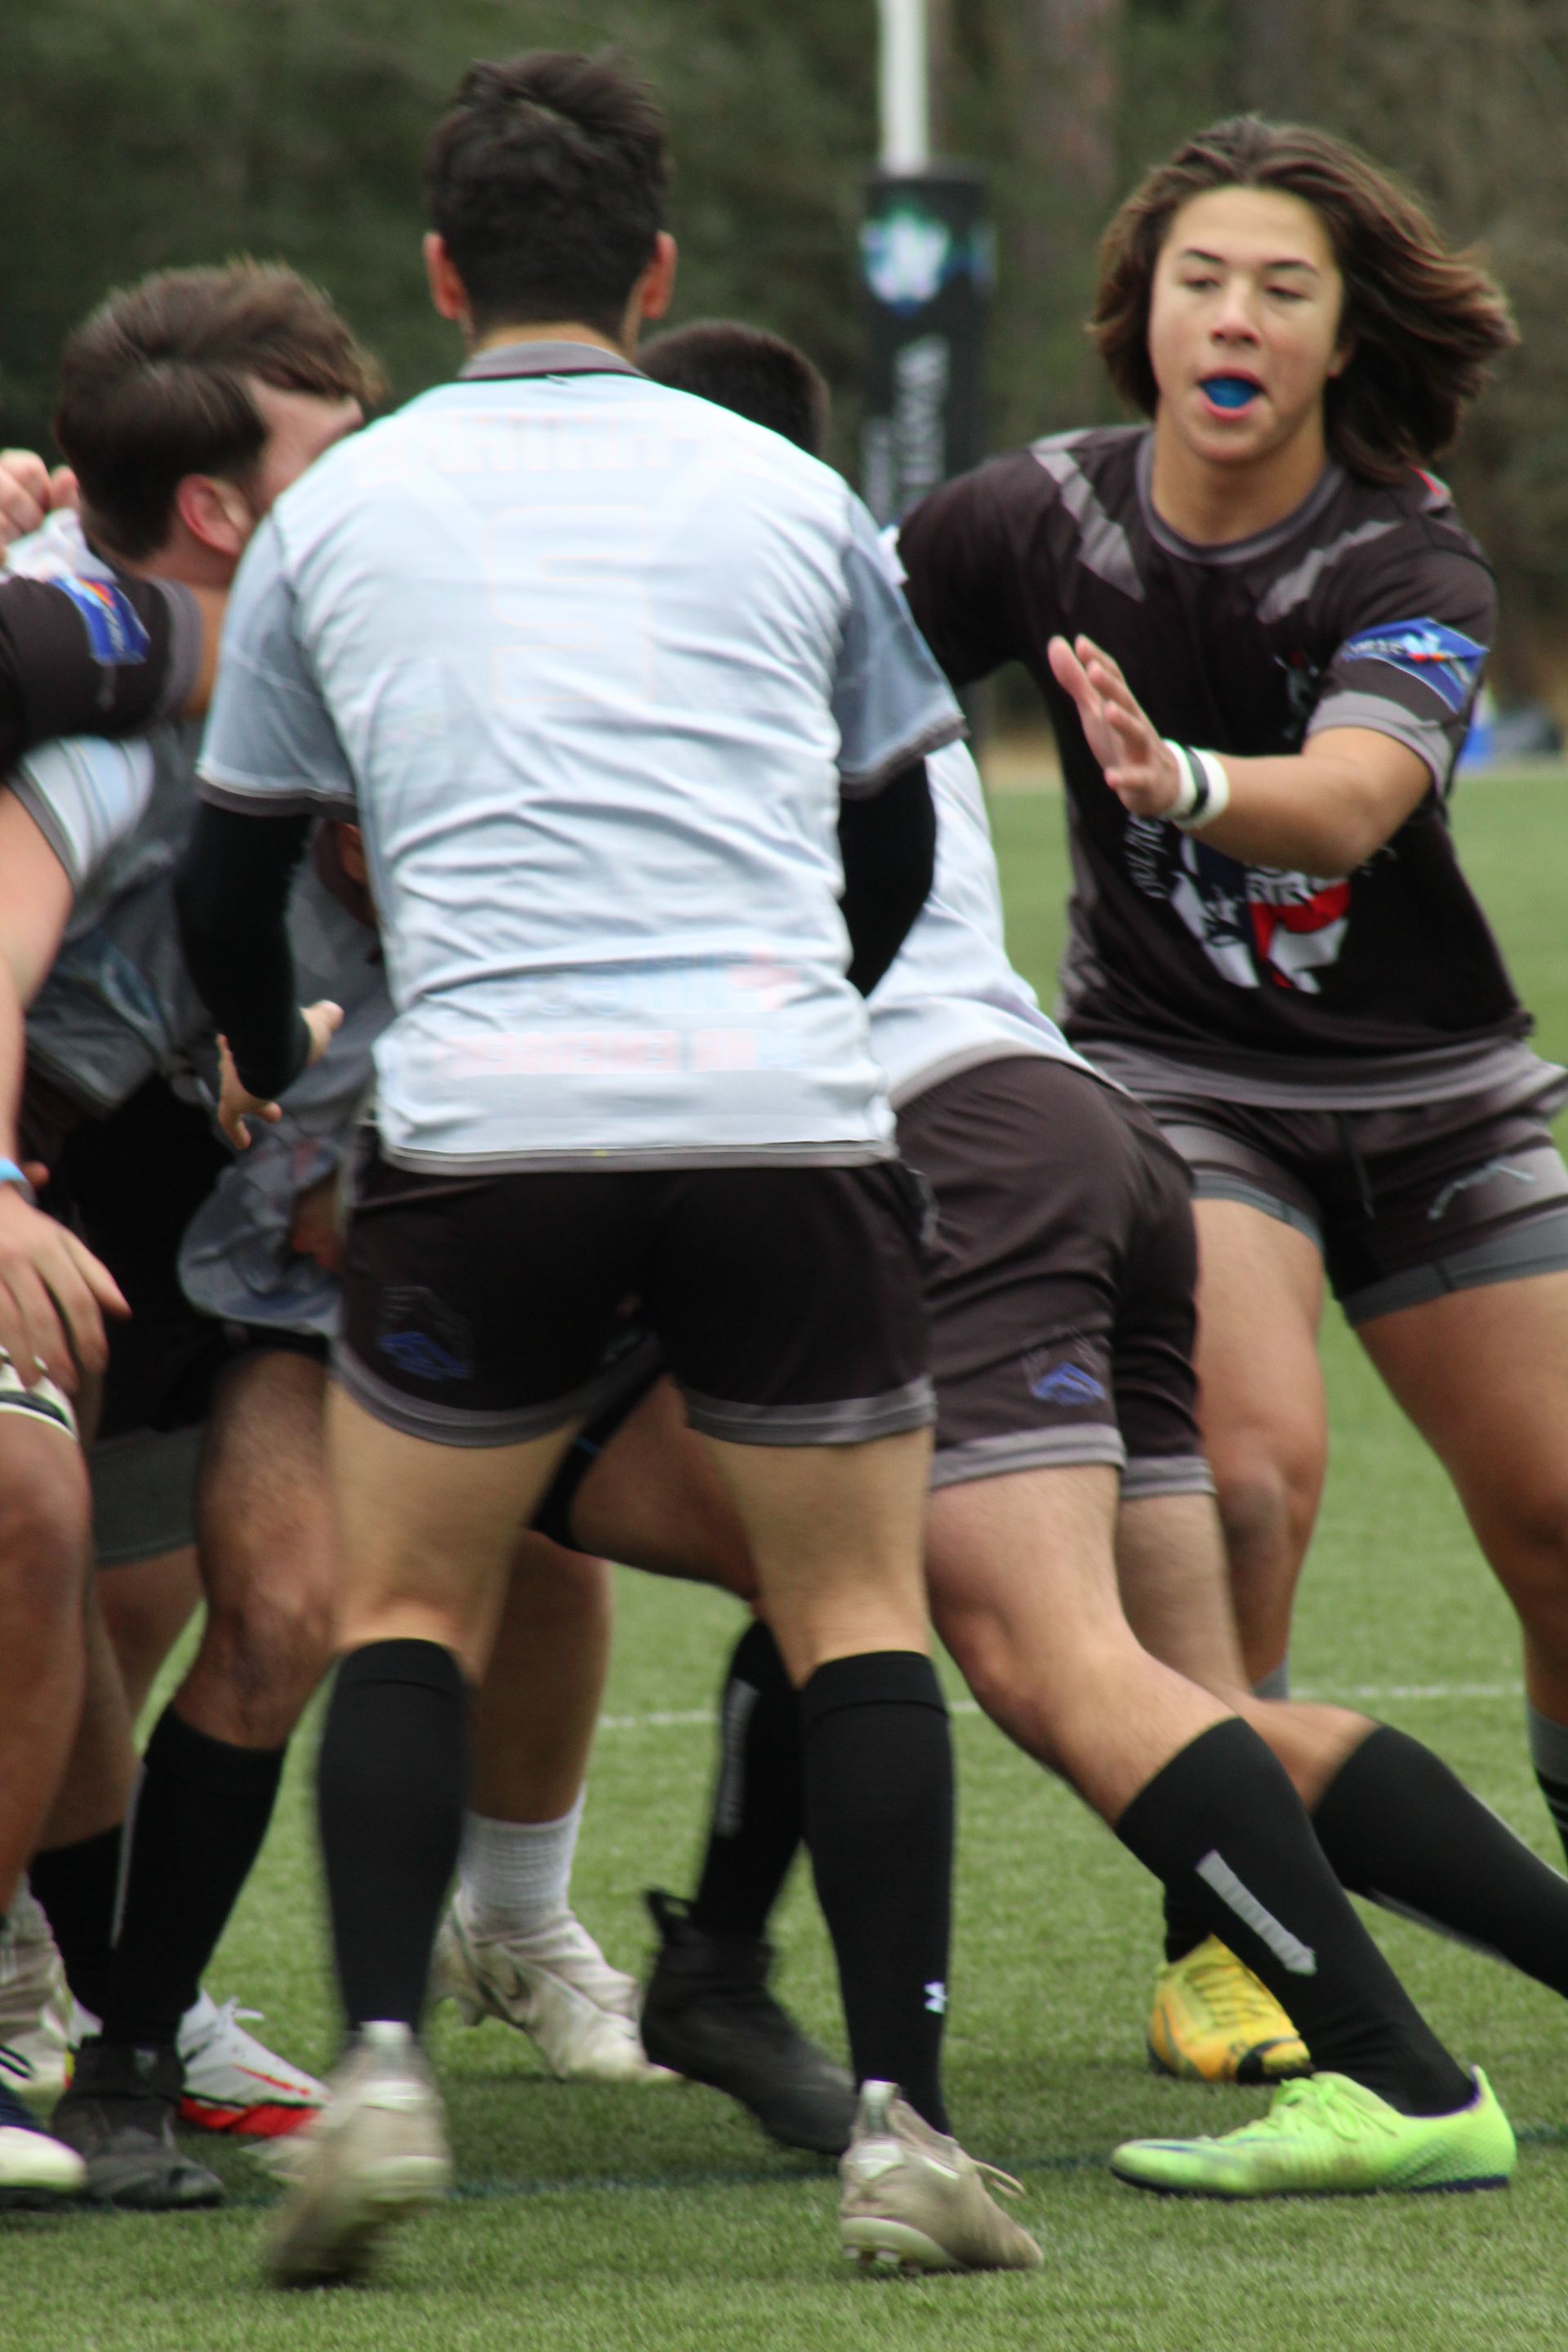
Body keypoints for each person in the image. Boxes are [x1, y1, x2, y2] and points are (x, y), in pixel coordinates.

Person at [177, 51, 1037, 2287]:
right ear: (654, 274)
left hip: (486, 1124)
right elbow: (891, 823)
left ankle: (377, 2068)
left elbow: (229, 864)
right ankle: (912, 2130)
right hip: (776, 1107)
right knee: (852, 1613)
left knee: (407, 1613)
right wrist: (806, 1021)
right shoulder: (780, 489)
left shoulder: (341, 508)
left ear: (442, 270)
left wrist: (278, 1074)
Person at [889, 114, 1568, 2070]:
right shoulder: (1030, 518)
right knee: (1250, 1476)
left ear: (1348, 335)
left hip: (1437, 1104)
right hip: (1179, 1085)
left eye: (1285, 286)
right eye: (1203, 279)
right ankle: (1228, 1942)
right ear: (1145, 309)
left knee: (1555, 1524)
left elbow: (1356, 802)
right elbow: (809, 656)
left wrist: (1173, 778)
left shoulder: (1404, 548)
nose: (1237, 316)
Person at [0, 263, 377, 2209]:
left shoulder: (344, 661)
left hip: (186, 1215)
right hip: (45, 1190)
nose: (387, 481)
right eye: (339, 450)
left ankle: (111, 1986)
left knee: (160, 1610)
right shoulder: (88, 684)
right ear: (226, 510)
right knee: (36, 1542)